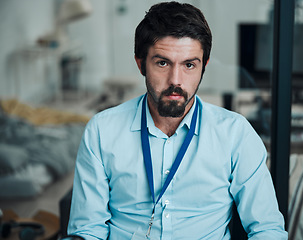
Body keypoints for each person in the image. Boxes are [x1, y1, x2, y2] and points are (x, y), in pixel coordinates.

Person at [67, 2, 288, 239]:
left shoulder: (235, 134)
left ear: (203, 67)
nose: (176, 80)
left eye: (189, 65)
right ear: (141, 64)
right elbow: (88, 230)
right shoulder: (102, 131)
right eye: (162, 63)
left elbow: (266, 229)